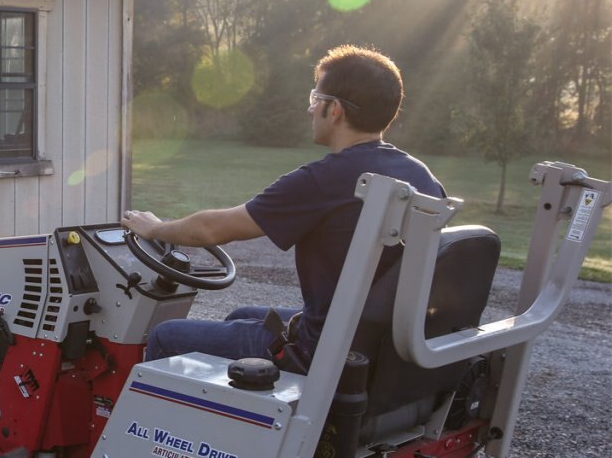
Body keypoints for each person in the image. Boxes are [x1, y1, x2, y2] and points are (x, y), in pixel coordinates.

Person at [120, 44, 444, 368]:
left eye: (314, 99)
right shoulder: (420, 176)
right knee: (241, 315)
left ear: (335, 111)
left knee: (166, 335)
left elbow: (213, 229)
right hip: (374, 341)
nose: (309, 109)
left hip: (323, 352)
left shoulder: (324, 180)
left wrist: (156, 227)